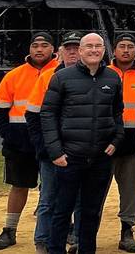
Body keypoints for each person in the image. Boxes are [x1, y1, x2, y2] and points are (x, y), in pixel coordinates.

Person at [39, 32, 124, 254]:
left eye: (98, 46)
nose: (94, 50)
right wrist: (55, 151)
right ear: (80, 51)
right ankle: (55, 250)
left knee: (90, 212)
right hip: (69, 158)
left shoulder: (113, 78)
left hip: (99, 160)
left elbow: (117, 113)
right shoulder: (61, 77)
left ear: (104, 51)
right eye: (89, 46)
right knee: (61, 211)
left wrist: (116, 140)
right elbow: (47, 114)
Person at [0, 31, 57, 251]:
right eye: (35, 45)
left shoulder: (62, 73)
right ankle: (9, 230)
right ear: (29, 49)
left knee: (55, 188)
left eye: (44, 45)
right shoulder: (14, 75)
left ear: (54, 50)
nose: (39, 49)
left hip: (51, 141)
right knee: (19, 186)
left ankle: (62, 229)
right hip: (20, 144)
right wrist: (11, 137)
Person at [27, 32, 82, 254]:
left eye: (76, 47)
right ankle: (42, 241)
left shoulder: (97, 77)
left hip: (80, 151)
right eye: (68, 47)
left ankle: (77, 239)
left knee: (80, 199)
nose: (72, 52)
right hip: (52, 151)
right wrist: (44, 148)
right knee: (48, 199)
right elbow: (32, 116)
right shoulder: (47, 77)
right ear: (60, 52)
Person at [109, 32, 135, 253]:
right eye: (122, 46)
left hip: (134, 144)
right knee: (95, 191)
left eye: (130, 47)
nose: (126, 50)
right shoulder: (104, 73)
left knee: (132, 191)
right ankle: (85, 234)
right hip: (105, 144)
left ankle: (127, 231)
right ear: (114, 50)